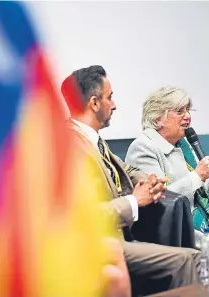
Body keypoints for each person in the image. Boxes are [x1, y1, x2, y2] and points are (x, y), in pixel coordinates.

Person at [61, 66, 201, 296]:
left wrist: (150, 179)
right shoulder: (71, 148)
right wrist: (134, 201)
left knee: (191, 256)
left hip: (120, 239)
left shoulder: (92, 139)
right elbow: (80, 219)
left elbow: (125, 167)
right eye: (110, 97)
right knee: (190, 259)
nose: (114, 105)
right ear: (94, 103)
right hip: (96, 246)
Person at [125, 86, 209, 251]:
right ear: (158, 117)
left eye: (188, 110)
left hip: (206, 215)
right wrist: (197, 176)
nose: (188, 116)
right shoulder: (143, 148)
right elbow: (161, 200)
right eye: (180, 111)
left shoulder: (183, 144)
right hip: (181, 229)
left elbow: (201, 190)